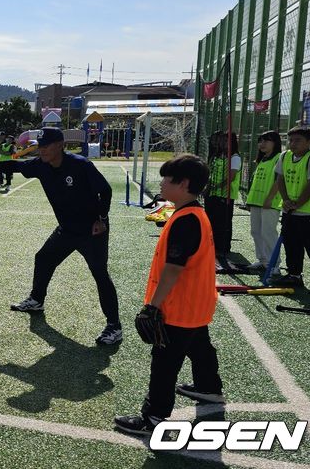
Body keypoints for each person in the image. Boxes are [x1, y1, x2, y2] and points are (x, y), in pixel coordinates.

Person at [0, 127, 121, 345]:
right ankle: (37, 300)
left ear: (60, 145)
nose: (42, 150)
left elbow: (106, 191)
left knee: (100, 275)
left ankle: (114, 326)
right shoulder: (41, 166)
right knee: (44, 258)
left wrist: (101, 219)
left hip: (92, 231)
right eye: (40, 146)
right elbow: (15, 165)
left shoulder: (80, 165)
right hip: (67, 229)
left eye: (46, 146)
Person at [114, 154, 223, 436]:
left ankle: (154, 418)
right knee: (200, 348)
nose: (161, 183)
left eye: (166, 178)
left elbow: (173, 269)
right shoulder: (195, 213)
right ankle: (209, 388)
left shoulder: (186, 220)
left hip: (179, 308)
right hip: (196, 305)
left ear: (183, 183)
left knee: (164, 363)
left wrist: (152, 307)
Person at [272, 126, 310, 294]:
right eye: (290, 140)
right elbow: (280, 179)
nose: (292, 144)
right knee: (291, 243)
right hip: (290, 210)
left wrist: (298, 203)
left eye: (298, 140)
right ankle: (294, 275)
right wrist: (287, 201)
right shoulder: (284, 156)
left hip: (309, 212)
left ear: (309, 142)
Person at [245, 131, 283, 275]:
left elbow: (279, 180)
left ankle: (275, 265)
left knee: (268, 233)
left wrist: (269, 198)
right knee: (256, 232)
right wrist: (250, 200)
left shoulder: (279, 158)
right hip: (256, 202)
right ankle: (263, 260)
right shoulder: (262, 159)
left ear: (275, 143)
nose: (262, 144)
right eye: (260, 141)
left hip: (269, 203)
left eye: (266, 141)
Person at [203, 131, 240, 265]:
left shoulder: (234, 157)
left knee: (223, 222)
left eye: (226, 141)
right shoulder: (217, 156)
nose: (222, 143)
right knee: (211, 220)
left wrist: (217, 186)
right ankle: (211, 245)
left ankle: (223, 247)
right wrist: (208, 187)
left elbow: (232, 177)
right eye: (221, 141)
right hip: (213, 194)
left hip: (225, 195)